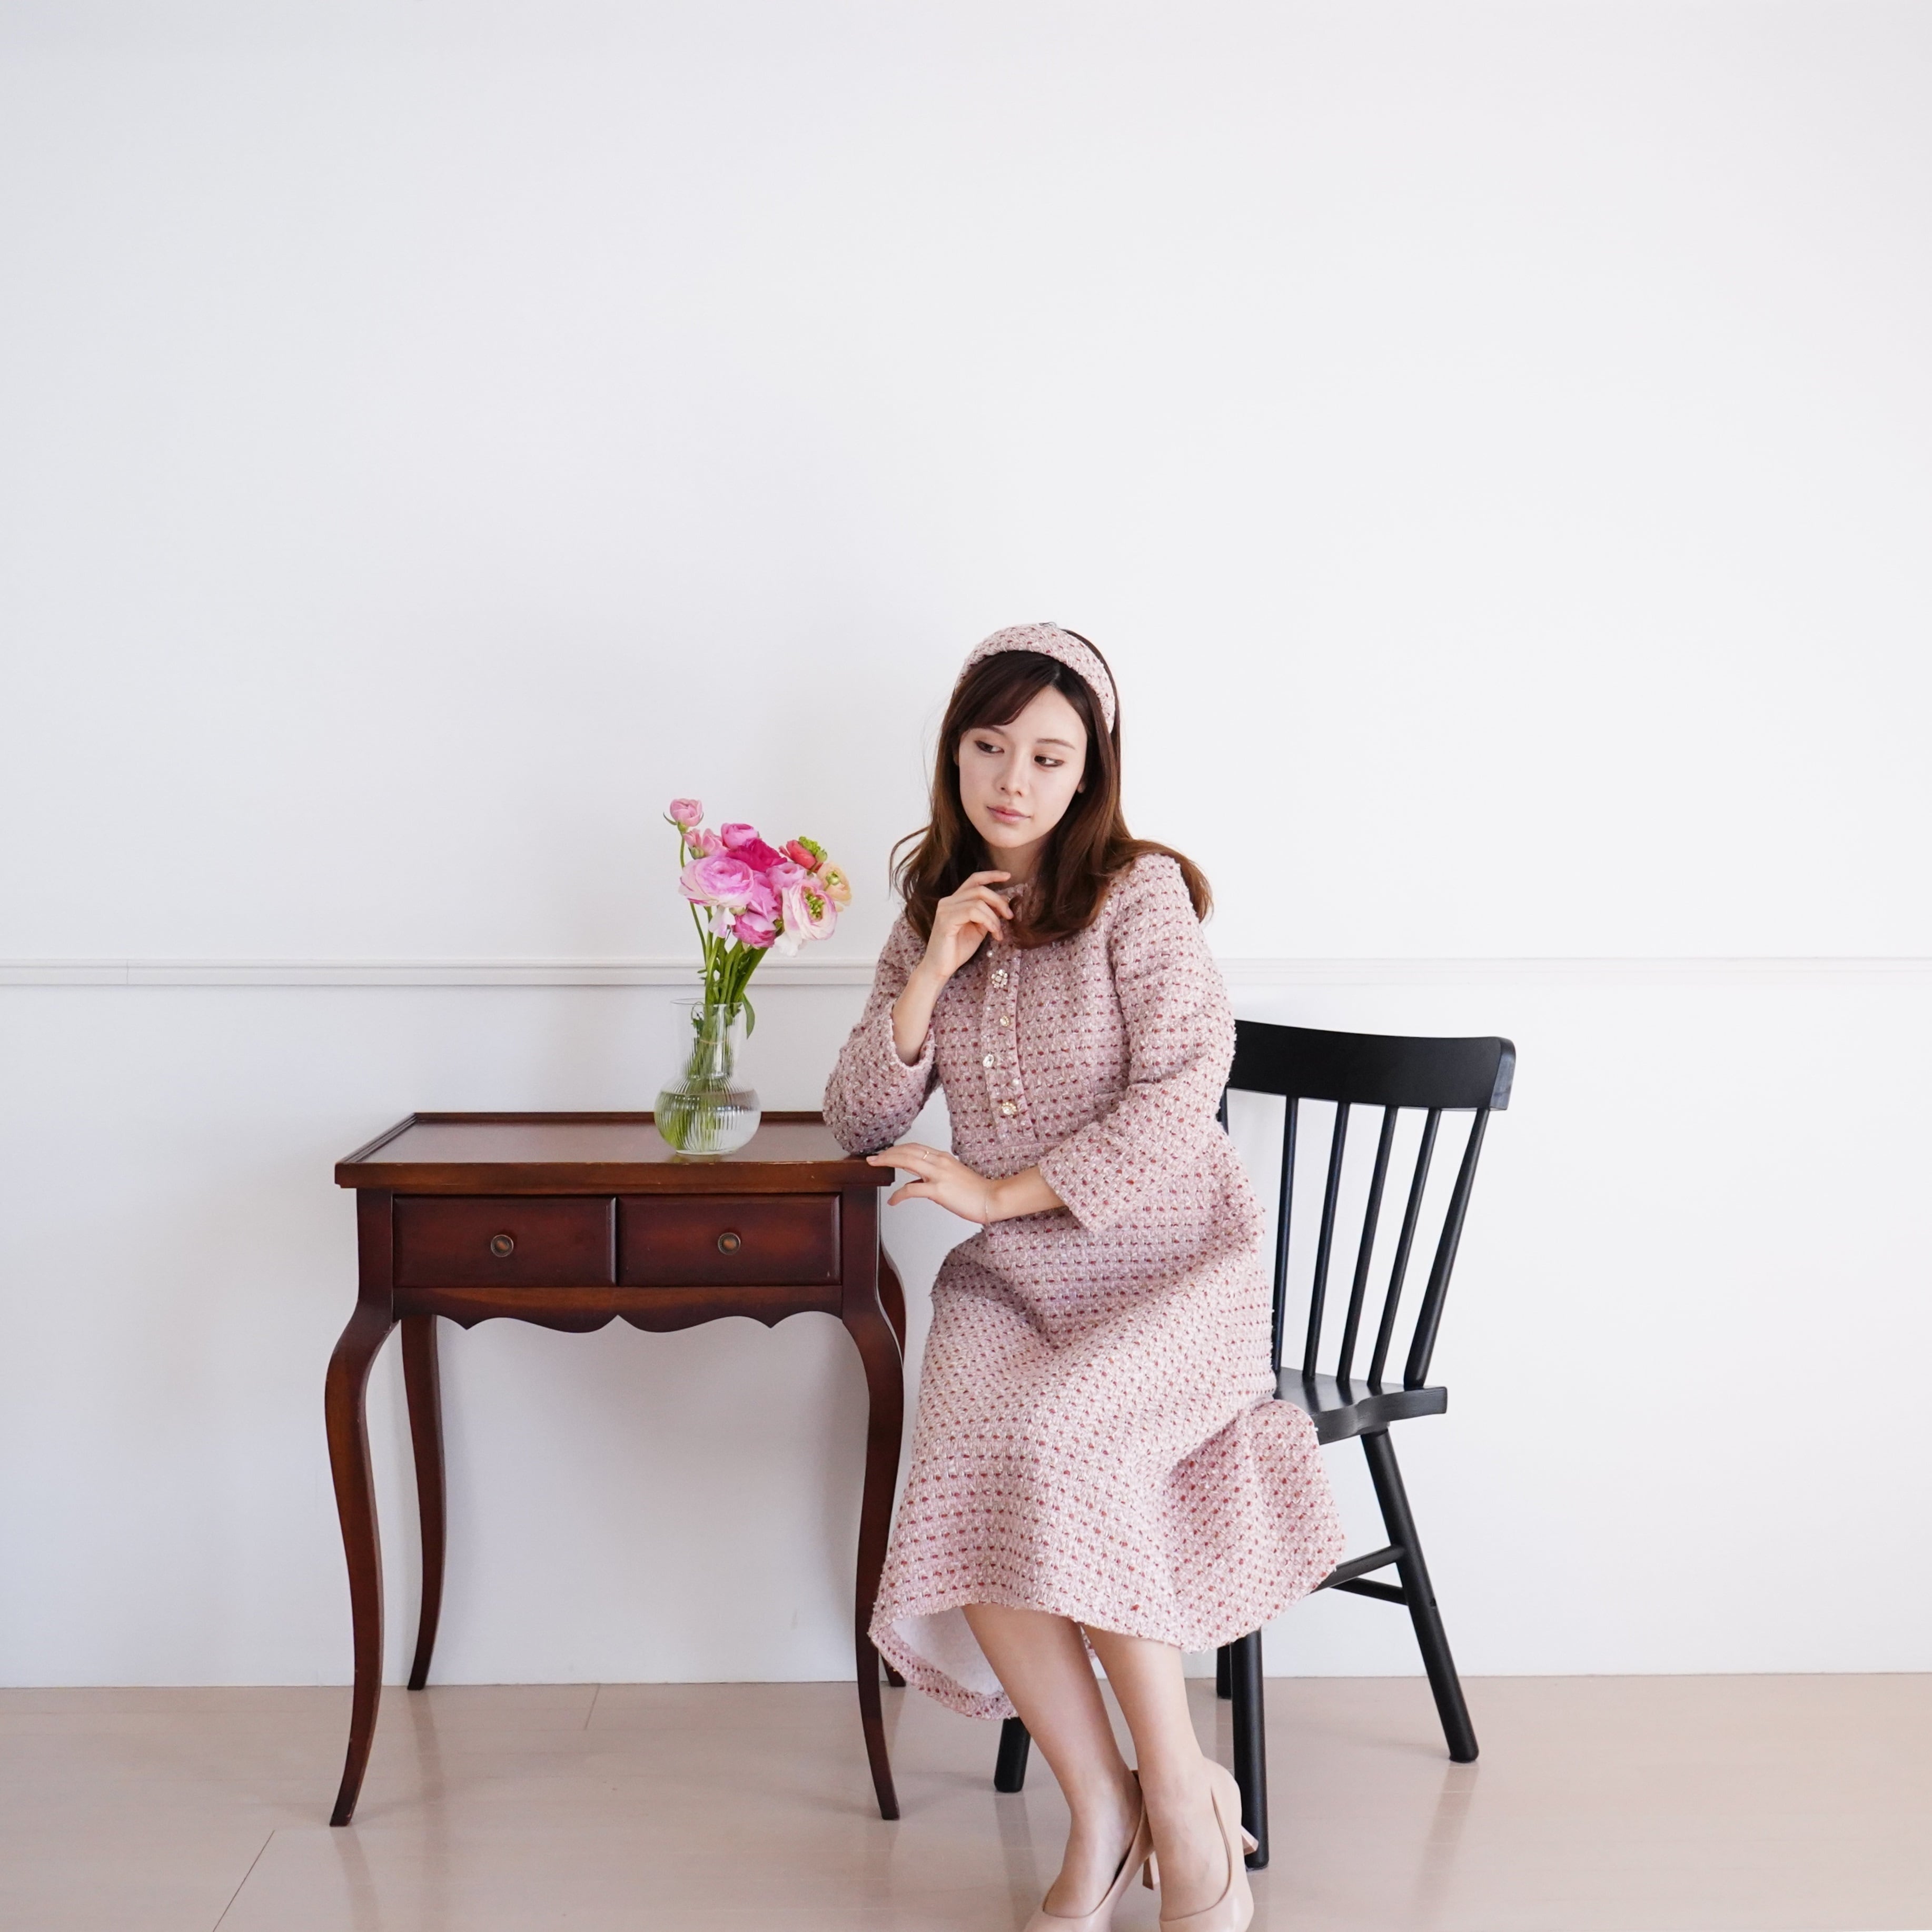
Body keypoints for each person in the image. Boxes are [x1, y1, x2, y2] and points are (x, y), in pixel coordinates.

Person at [824, 624, 1344, 1932]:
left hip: (1173, 1266)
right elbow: (855, 1118)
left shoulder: (1137, 894)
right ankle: (1104, 1805)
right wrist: (931, 967)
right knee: (967, 1452)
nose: (1013, 778)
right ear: (954, 751)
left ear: (1090, 769)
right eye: (989, 744)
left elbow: (1185, 1083)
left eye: (1048, 755)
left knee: (1054, 1437)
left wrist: (998, 1190)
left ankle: (1177, 1793)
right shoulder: (930, 912)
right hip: (1015, 1285)